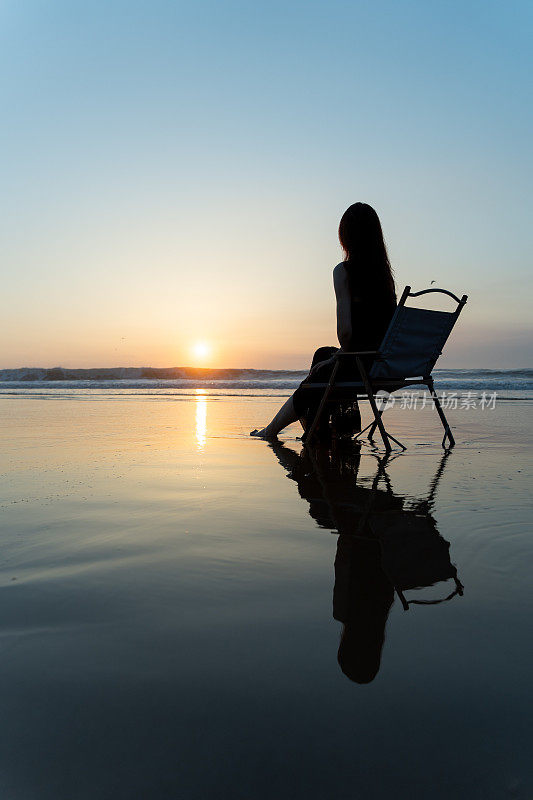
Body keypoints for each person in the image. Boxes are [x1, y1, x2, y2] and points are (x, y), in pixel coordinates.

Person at [250, 202, 397, 440]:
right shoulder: (385, 278)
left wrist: (340, 355)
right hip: (386, 366)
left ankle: (272, 431)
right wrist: (336, 355)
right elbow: (381, 332)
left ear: (345, 236)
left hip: (363, 368)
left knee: (317, 377)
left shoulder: (344, 271)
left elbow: (347, 335)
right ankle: (326, 429)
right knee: (323, 354)